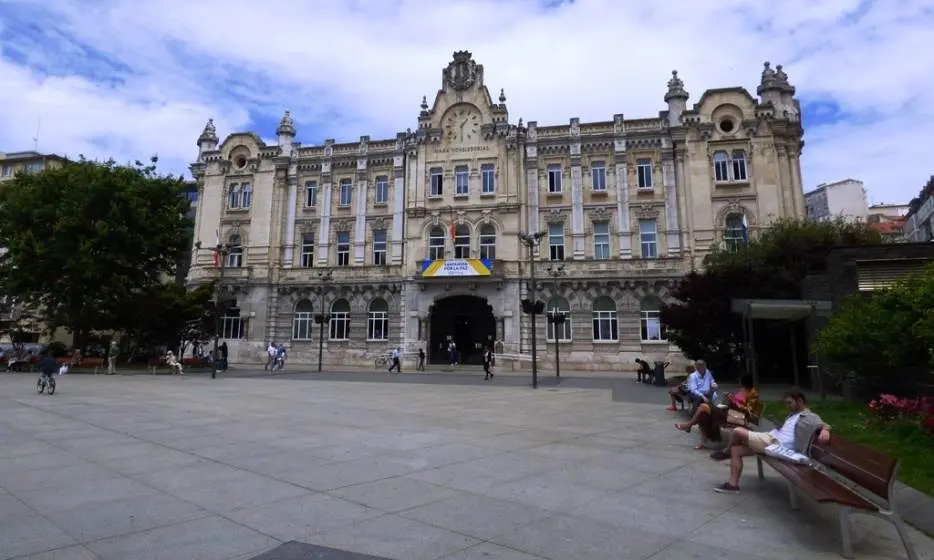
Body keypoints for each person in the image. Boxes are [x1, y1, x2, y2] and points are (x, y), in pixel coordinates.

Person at [711, 388, 831, 494]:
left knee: (737, 431)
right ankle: (733, 485)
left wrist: (825, 430)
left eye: (790, 403)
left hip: (775, 444)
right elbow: (789, 431)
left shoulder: (810, 416)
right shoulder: (793, 414)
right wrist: (780, 426)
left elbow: (824, 425)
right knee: (736, 450)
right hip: (769, 439)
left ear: (799, 401)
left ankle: (725, 452)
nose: (787, 406)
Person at [676, 374, 760, 450]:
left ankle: (688, 426)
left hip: (737, 416)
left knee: (703, 406)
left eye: (740, 381)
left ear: (744, 382)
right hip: (728, 412)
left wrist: (734, 402)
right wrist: (728, 398)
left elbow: (748, 410)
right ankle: (697, 436)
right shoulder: (741, 391)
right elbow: (730, 403)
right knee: (703, 414)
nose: (739, 383)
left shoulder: (753, 393)